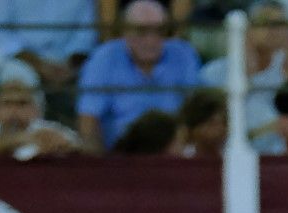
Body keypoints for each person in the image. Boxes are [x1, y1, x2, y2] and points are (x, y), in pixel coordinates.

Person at [76, 0, 201, 149]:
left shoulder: (183, 55)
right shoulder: (104, 57)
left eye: (159, 31)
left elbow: (197, 111)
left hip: (173, 153)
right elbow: (88, 120)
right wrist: (97, 166)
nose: (151, 40)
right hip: (121, 155)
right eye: (142, 32)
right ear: (125, 31)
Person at [197, 0, 288, 137]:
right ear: (248, 28)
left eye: (279, 24)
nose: (273, 30)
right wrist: (246, 75)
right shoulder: (213, 72)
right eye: (265, 22)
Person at [0, 0, 98, 106]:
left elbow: (85, 35)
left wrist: (70, 65)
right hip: (17, 62)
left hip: (69, 67)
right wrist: (37, 65)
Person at [0, 60, 84, 156]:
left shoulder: (51, 130)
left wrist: (64, 146)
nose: (14, 110)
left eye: (22, 103)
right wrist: (18, 139)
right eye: (7, 103)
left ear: (37, 109)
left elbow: (81, 149)